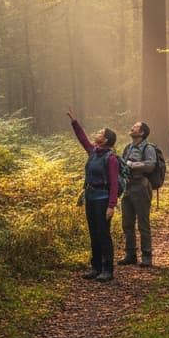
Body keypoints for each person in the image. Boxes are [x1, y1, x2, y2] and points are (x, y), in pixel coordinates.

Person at [66, 107, 119, 282]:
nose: (96, 134)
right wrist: (74, 121)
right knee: (93, 233)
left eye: (100, 133)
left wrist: (111, 206)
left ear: (105, 140)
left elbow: (114, 184)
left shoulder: (111, 158)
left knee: (103, 233)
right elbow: (82, 139)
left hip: (103, 199)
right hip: (90, 197)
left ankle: (108, 269)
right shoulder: (93, 152)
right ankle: (95, 267)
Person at [117, 120, 156, 267]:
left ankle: (147, 257)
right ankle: (130, 254)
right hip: (128, 187)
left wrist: (132, 165)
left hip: (141, 186)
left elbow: (151, 165)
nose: (132, 127)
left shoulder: (148, 147)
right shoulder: (128, 147)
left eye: (135, 127)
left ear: (142, 132)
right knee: (127, 223)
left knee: (143, 223)